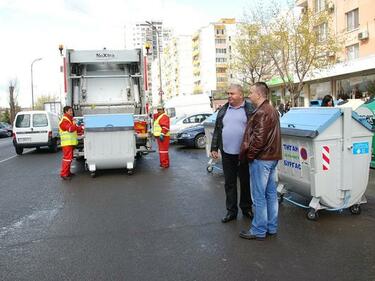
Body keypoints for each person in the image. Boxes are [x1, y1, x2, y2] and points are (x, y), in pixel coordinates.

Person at [239, 82, 282, 241]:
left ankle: (258, 230)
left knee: (259, 196)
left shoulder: (262, 111)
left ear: (258, 94)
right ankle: (271, 227)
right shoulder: (270, 109)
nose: (248, 95)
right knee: (270, 194)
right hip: (271, 158)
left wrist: (250, 156)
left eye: (251, 92)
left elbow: (258, 139)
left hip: (262, 159)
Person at [210, 83, 254, 223]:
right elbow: (217, 130)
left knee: (245, 182)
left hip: (244, 153)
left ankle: (246, 208)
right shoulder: (223, 109)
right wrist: (214, 148)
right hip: (227, 153)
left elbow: (255, 131)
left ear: (241, 95)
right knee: (229, 183)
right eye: (228, 93)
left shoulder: (249, 109)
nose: (229, 96)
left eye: (232, 93)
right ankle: (231, 211)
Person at [59, 106, 83, 180]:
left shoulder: (70, 120)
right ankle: (64, 174)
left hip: (69, 143)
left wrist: (81, 129)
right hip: (67, 143)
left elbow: (75, 128)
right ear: (66, 112)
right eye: (70, 111)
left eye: (71, 111)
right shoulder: (65, 120)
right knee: (67, 159)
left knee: (69, 158)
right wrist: (75, 126)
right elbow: (70, 129)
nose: (71, 112)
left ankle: (67, 172)